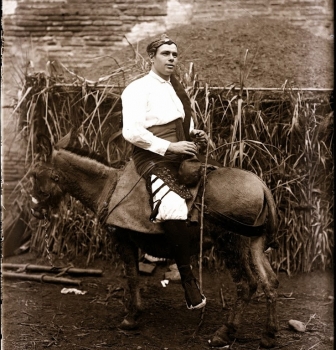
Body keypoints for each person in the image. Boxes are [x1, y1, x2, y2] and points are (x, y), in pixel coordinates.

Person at [121, 34, 207, 310]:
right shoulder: (137, 88)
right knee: (172, 205)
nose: (172, 58)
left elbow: (179, 122)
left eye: (175, 54)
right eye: (166, 53)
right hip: (151, 156)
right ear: (152, 57)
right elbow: (132, 131)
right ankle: (187, 278)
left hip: (180, 151)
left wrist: (194, 133)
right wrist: (169, 146)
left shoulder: (176, 88)